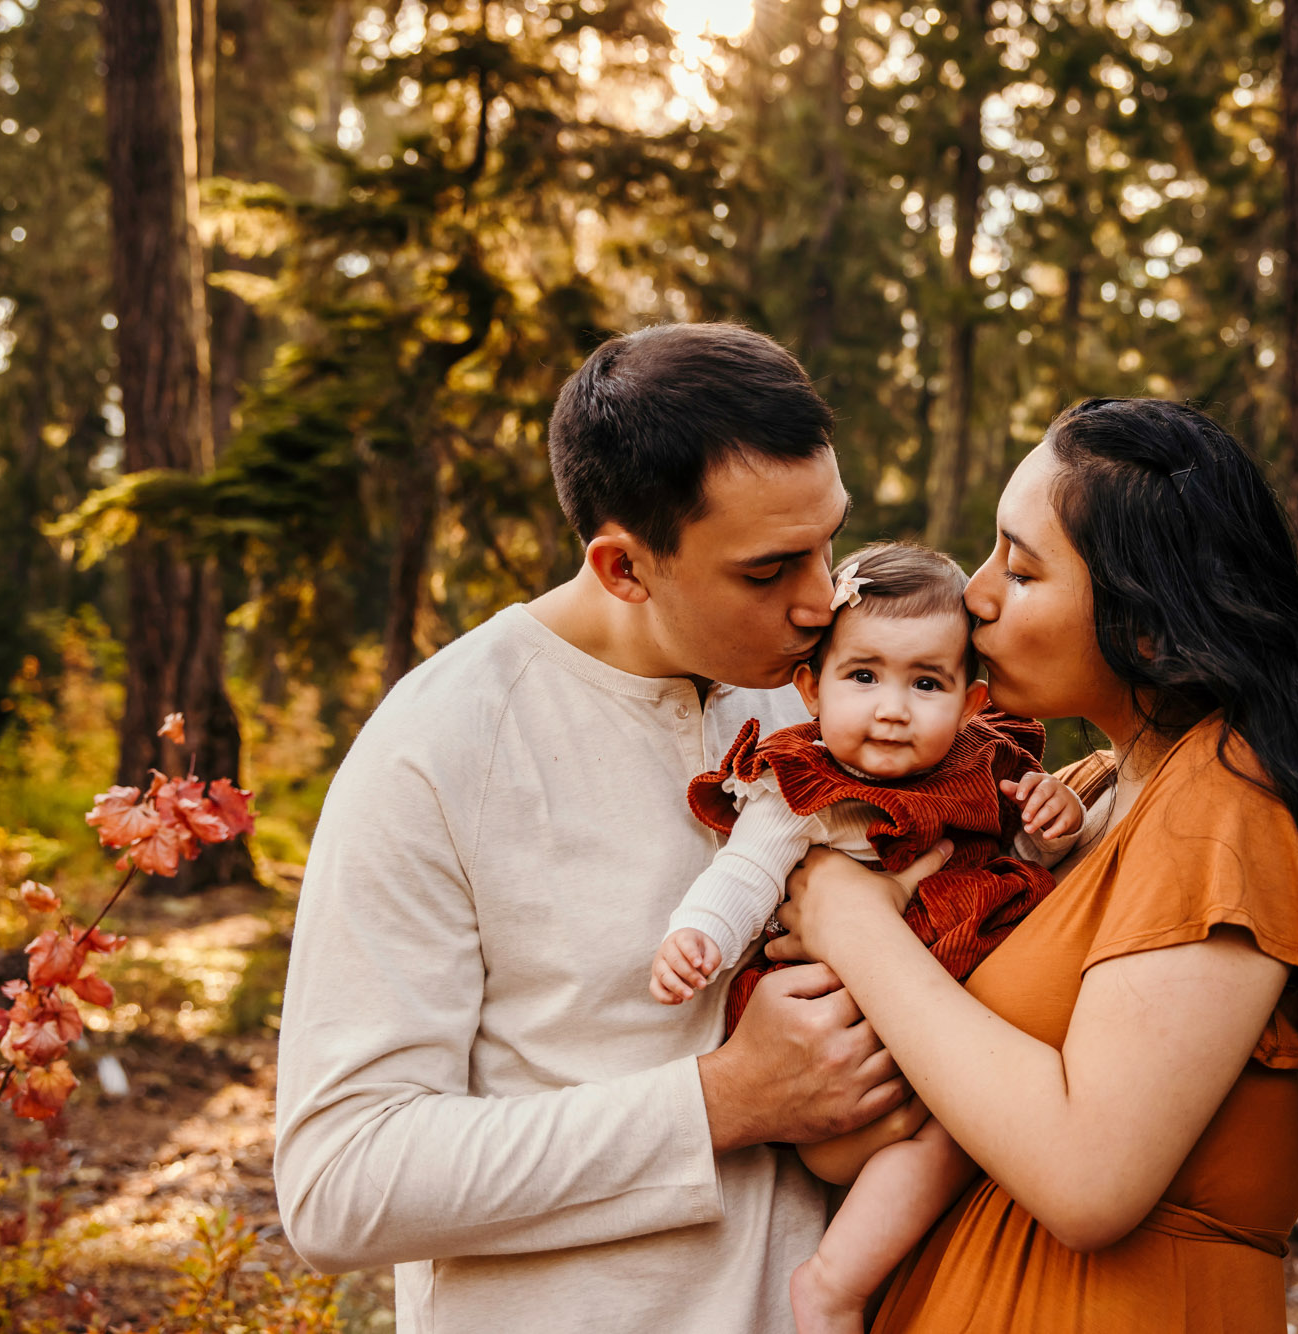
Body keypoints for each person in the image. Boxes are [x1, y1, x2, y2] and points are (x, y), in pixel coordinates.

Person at [273, 323, 932, 1333]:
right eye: (768, 571)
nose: (820, 601)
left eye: (828, 541)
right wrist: (723, 1100)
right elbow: (341, 1179)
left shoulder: (828, 703)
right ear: (624, 568)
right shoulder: (439, 745)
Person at [768, 397, 1298, 1333]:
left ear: (1147, 622)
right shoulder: (1091, 788)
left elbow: (1091, 1177)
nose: (975, 595)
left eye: (1022, 567)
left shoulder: (1224, 805)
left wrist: (854, 923)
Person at [646, 541, 1084, 1333]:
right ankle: (834, 1288)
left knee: (983, 1123)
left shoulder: (983, 768)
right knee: (964, 1130)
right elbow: (745, 875)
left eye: (926, 683)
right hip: (844, 1064)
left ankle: (874, 1287)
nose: (892, 707)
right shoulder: (805, 788)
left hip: (942, 1047)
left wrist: (1049, 830)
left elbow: (1024, 864)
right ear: (810, 688)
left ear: (972, 699)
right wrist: (698, 935)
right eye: (863, 676)